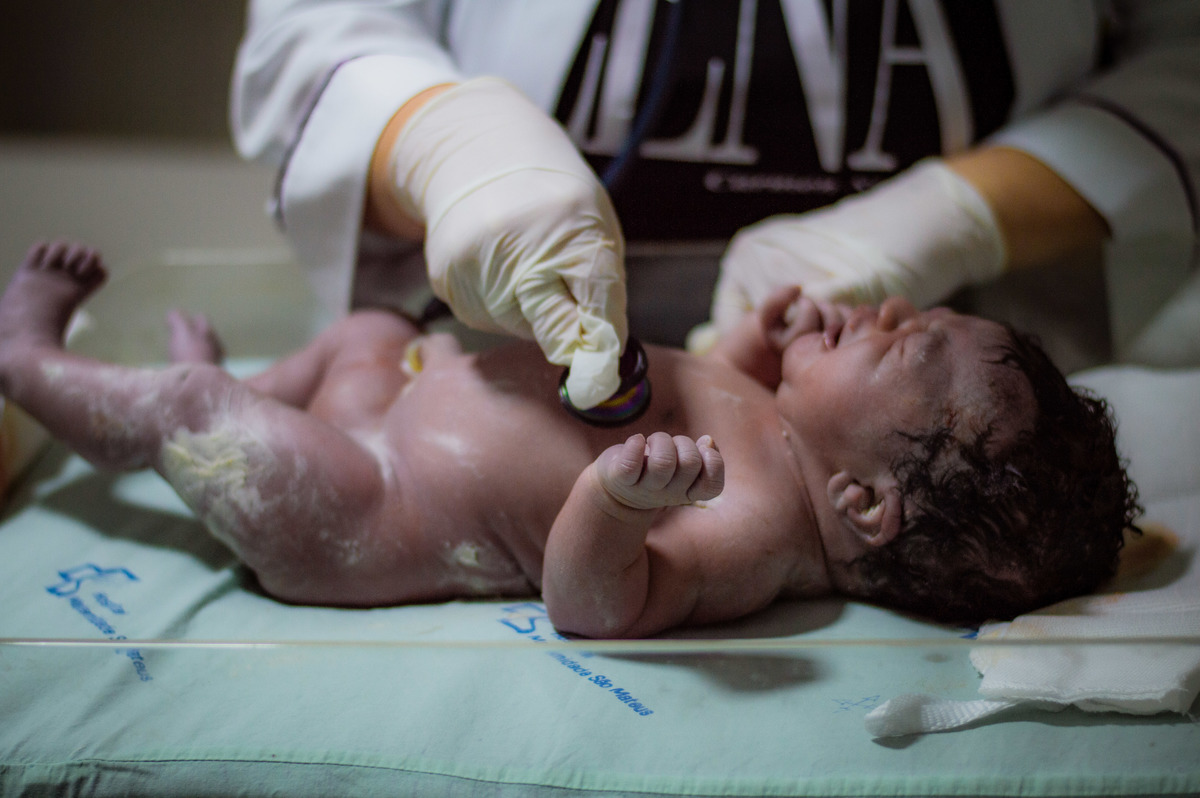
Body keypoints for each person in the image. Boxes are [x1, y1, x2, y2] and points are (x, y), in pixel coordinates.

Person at [0, 241, 1139, 637]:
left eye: (898, 350)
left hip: (359, 506)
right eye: (911, 315)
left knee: (200, 425)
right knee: (367, 327)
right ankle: (234, 382)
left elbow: (600, 604)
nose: (886, 313)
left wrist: (617, 503)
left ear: (864, 505)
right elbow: (706, 378)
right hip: (385, 404)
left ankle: (41, 368)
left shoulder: (748, 530)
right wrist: (748, 339)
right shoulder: (781, 431)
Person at [231, 1, 1200, 382]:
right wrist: (447, 149)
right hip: (471, 350)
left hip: (976, 358)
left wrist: (955, 215)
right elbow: (319, 33)